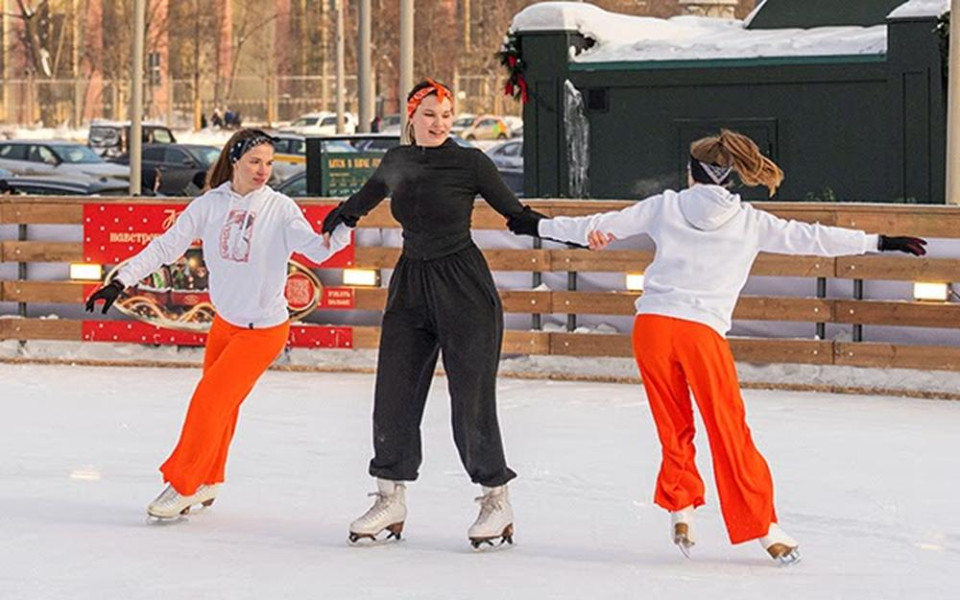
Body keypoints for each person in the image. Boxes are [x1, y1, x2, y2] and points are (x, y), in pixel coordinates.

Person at [507, 129, 927, 564]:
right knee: (728, 429)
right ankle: (764, 528)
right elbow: (813, 238)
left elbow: (596, 227)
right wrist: (879, 242)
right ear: (730, 178)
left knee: (674, 424)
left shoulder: (664, 206)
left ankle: (681, 508)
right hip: (699, 333)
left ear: (692, 174)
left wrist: (535, 223)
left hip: (651, 327)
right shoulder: (751, 222)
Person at [85, 128, 352, 519]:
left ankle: (183, 485)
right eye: (255, 162)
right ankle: (208, 480)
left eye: (269, 163)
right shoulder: (210, 204)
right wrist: (120, 280)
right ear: (235, 162)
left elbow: (317, 248)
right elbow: (165, 246)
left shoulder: (280, 209)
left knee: (209, 402)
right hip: (225, 325)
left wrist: (341, 225)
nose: (263, 171)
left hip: (263, 331)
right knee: (222, 408)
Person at [321, 79, 532, 548]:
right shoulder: (397, 161)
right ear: (411, 117)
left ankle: (496, 500)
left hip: (463, 287)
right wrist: (339, 216)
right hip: (411, 284)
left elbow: (515, 214)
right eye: (429, 114)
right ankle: (390, 497)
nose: (439, 123)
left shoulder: (470, 163)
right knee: (392, 393)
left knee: (470, 399)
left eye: (446, 115)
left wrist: (563, 228)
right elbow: (364, 199)